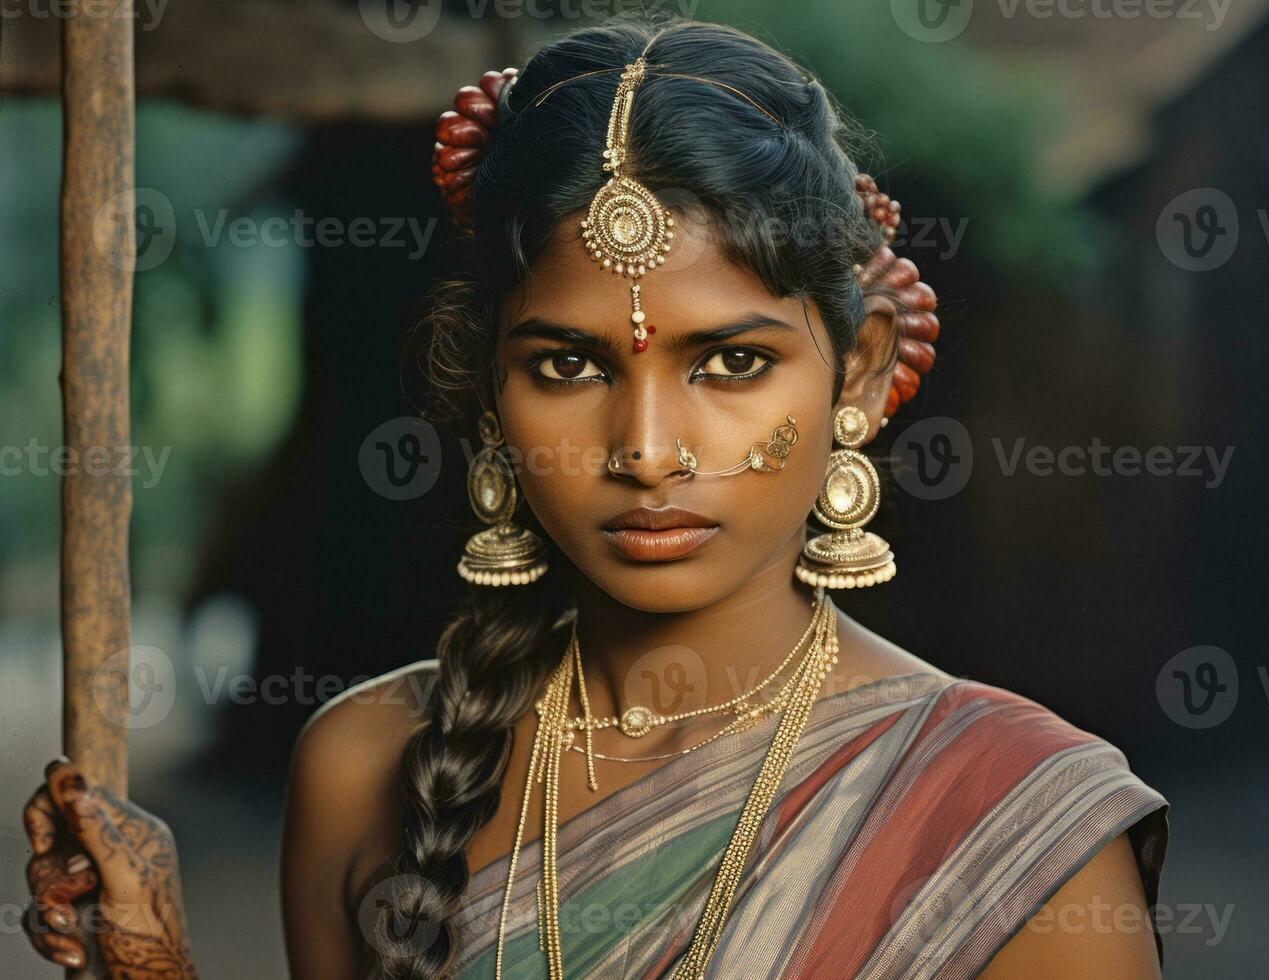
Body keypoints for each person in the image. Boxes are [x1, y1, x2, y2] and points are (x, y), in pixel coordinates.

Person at [20, 13, 1169, 979]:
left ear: (859, 367)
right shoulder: (365, 768)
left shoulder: (1016, 828)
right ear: (483, 385)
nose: (645, 447)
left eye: (730, 362)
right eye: (567, 365)